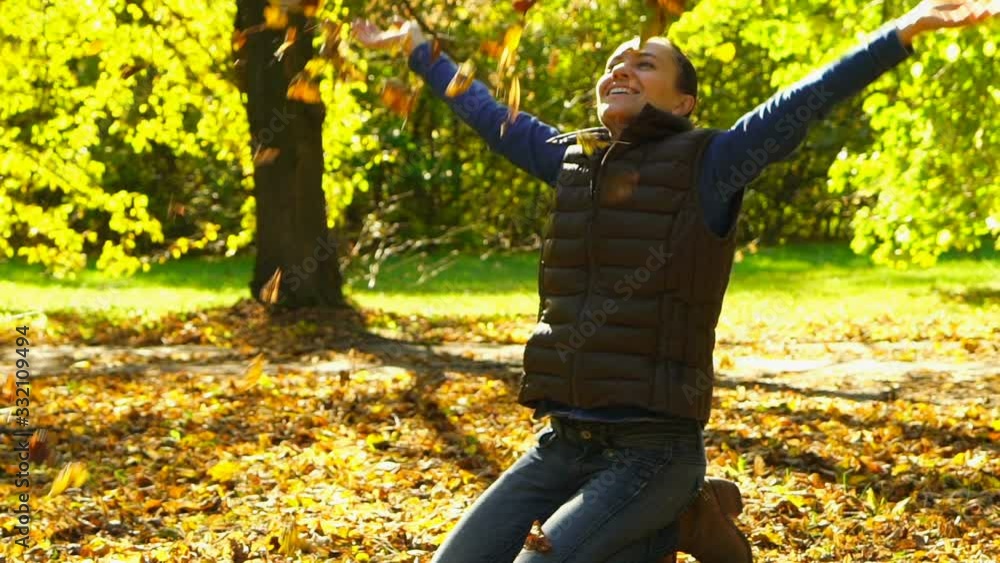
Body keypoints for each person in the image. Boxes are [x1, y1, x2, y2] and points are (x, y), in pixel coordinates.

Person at [353, 1, 997, 561]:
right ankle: (676, 523)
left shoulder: (710, 163)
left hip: (653, 451)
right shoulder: (572, 160)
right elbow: (490, 115)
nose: (621, 69)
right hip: (563, 444)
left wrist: (905, 29)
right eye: (614, 63)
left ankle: (674, 519)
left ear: (682, 102)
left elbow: (806, 99)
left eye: (645, 63)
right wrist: (419, 48)